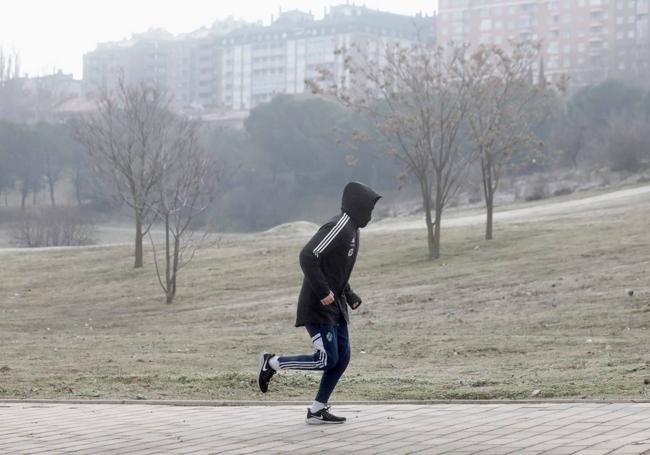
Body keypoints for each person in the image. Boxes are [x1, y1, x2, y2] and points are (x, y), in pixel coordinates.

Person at [257, 181, 381, 424]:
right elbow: (308, 255)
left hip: (336, 306)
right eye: (369, 207)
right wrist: (323, 291)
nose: (371, 213)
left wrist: (350, 294)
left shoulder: (353, 230)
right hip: (318, 305)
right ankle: (271, 362)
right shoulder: (338, 226)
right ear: (357, 206)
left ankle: (316, 410)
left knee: (342, 358)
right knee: (327, 359)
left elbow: (335, 270)